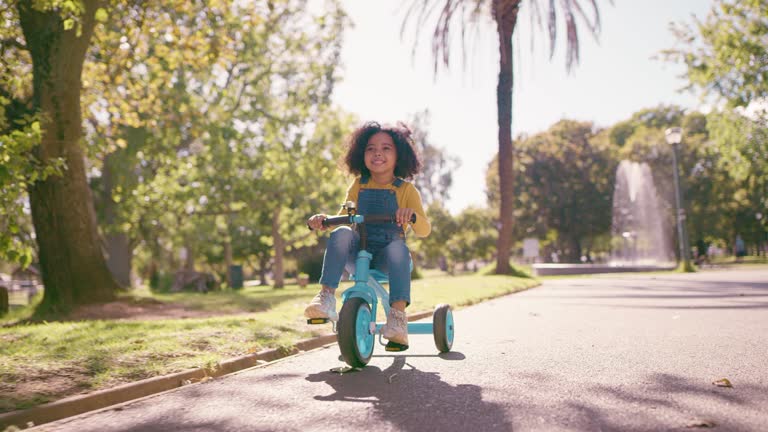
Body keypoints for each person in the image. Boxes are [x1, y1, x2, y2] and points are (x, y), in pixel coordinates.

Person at [304, 121, 431, 351]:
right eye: (370, 148)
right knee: (343, 231)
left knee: (397, 247)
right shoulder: (358, 185)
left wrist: (411, 216)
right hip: (358, 254)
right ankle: (326, 297)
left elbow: (424, 230)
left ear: (398, 154)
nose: (377, 153)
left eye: (386, 148)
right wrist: (324, 220)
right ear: (361, 153)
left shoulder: (406, 190)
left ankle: (398, 317)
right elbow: (344, 217)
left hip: (389, 259)